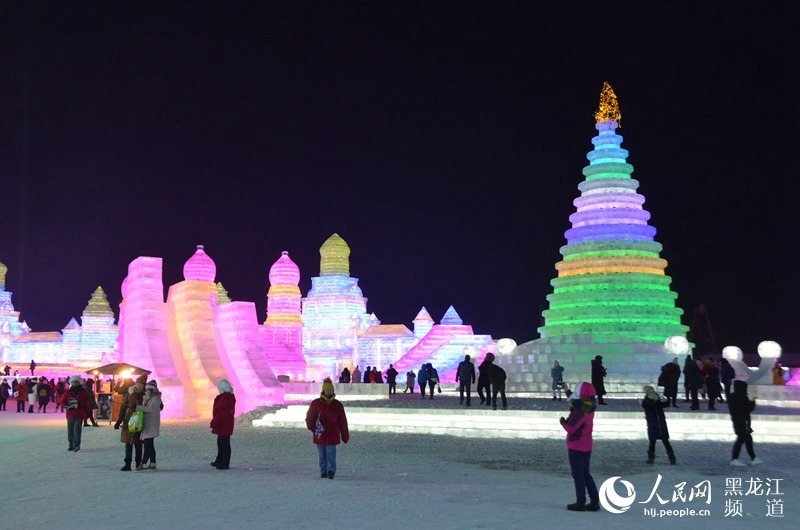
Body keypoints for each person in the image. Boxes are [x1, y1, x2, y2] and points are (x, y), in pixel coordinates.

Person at [559, 381, 600, 512]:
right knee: (586, 474)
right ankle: (594, 501)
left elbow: (571, 428)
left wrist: (563, 422)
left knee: (578, 475)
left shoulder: (580, 410)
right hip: (587, 445)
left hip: (576, 445)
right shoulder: (589, 405)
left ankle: (580, 502)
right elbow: (575, 401)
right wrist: (567, 391)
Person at [305, 378, 349, 479]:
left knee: (331, 454)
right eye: (327, 390)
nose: (329, 392)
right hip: (320, 434)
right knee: (322, 455)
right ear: (323, 391)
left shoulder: (337, 405)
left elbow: (342, 422)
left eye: (331, 390)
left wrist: (345, 436)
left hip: (332, 434)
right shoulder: (316, 404)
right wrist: (312, 427)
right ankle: (323, 471)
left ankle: (331, 471)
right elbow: (310, 417)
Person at [117, 373, 147, 471]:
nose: (139, 386)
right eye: (138, 383)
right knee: (128, 443)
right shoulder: (130, 393)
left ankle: (138, 463)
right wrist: (119, 420)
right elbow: (123, 406)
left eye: (141, 384)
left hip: (140, 421)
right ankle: (127, 463)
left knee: (138, 444)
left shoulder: (146, 395)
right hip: (129, 420)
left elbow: (152, 407)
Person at [728, 379, 762, 466]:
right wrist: (752, 402)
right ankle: (735, 459)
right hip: (743, 421)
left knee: (747, 438)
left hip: (737, 420)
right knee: (742, 438)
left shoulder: (732, 396)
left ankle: (753, 458)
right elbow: (747, 408)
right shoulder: (742, 396)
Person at [641, 385, 676, 465]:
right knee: (653, 442)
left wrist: (662, 399)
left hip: (659, 423)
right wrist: (655, 401)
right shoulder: (646, 401)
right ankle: (651, 458)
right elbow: (648, 407)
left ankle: (671, 457)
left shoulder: (657, 397)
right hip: (654, 423)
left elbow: (665, 403)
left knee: (664, 441)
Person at [210, 379, 236, 470]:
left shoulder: (225, 399)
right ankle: (219, 460)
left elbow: (222, 413)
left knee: (224, 444)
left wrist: (214, 422)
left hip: (224, 425)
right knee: (221, 443)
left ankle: (224, 463)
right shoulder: (226, 397)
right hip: (224, 425)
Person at [137, 380, 162, 471]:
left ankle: (143, 463)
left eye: (147, 390)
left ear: (152, 390)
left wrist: (138, 407)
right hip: (148, 423)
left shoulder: (155, 399)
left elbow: (150, 409)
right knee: (150, 444)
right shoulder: (149, 398)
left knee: (147, 445)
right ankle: (153, 462)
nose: (145, 391)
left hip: (151, 424)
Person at [61, 375, 90, 452]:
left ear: (79, 382)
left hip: (79, 413)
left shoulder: (83, 392)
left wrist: (81, 405)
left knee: (77, 429)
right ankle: (71, 444)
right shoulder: (67, 392)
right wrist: (67, 406)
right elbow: (63, 401)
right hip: (70, 413)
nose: (74, 383)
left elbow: (87, 400)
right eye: (73, 382)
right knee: (70, 430)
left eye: (76, 382)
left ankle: (76, 445)